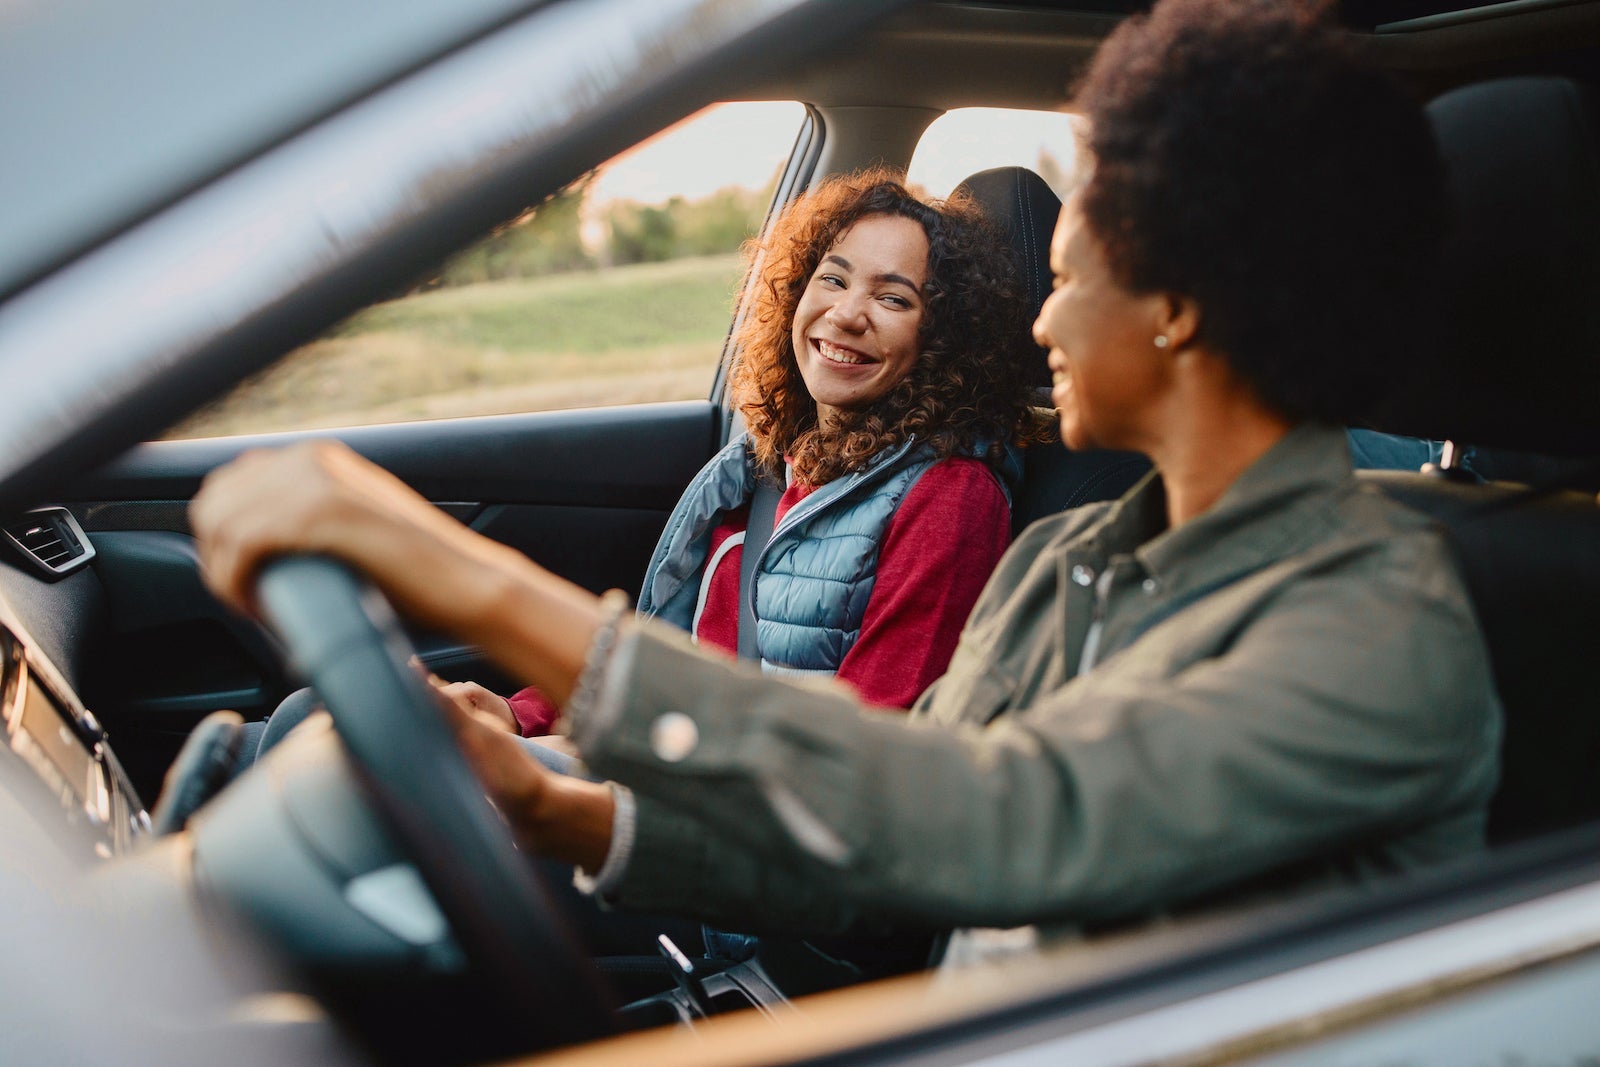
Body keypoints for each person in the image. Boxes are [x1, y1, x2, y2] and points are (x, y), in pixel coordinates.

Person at [191, 0, 1501, 961]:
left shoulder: (1373, 635)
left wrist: (461, 573)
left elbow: (994, 821)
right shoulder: (1069, 564)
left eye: (1071, 273)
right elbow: (874, 850)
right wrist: (553, 807)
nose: (1043, 320)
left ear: (1177, 304)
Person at [245, 171, 1044, 768]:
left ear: (941, 340)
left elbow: (868, 762)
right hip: (662, 764)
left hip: (730, 850)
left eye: (894, 298)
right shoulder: (767, 463)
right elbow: (669, 641)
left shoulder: (950, 497)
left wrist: (594, 774)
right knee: (313, 720)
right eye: (832, 277)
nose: (846, 312)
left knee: (355, 755)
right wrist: (524, 716)